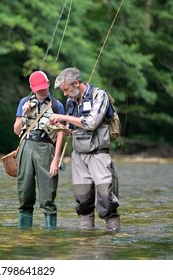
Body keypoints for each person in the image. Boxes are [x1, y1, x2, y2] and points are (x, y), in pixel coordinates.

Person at [49, 67, 120, 231]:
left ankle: (113, 238)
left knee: (106, 198)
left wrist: (63, 117)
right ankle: (85, 240)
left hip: (98, 155)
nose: (65, 94)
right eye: (63, 91)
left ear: (76, 83)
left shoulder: (99, 96)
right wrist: (60, 126)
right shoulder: (70, 101)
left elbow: (91, 123)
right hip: (78, 156)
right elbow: (71, 129)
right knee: (83, 200)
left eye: (66, 90)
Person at [13, 70, 65, 229]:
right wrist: (24, 114)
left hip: (47, 148)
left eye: (44, 87)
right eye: (38, 89)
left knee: (48, 193)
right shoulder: (24, 102)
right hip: (26, 146)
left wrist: (56, 159)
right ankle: (25, 233)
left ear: (48, 84)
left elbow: (61, 133)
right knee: (25, 191)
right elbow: (16, 130)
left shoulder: (57, 105)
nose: (42, 90)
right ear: (31, 87)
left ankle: (50, 234)